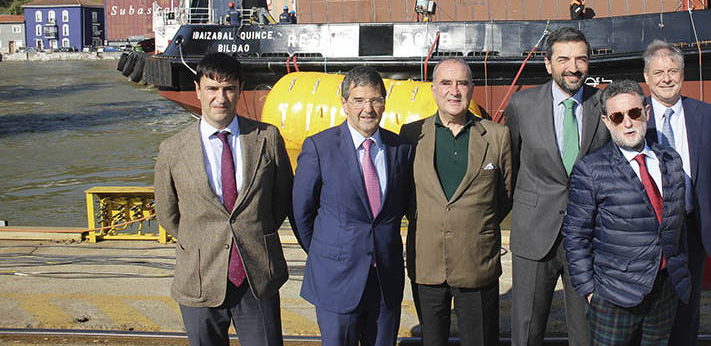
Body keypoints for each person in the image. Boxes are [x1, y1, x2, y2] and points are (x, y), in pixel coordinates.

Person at [153, 52, 293, 346]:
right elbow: (168, 214)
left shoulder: (267, 138)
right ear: (198, 90)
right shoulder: (172, 150)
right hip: (200, 277)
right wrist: (204, 239)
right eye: (212, 89)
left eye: (228, 88)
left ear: (240, 89)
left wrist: (252, 231)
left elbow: (281, 200)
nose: (221, 98)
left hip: (256, 275)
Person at [291, 66, 414, 345]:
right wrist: (328, 252)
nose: (367, 109)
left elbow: (405, 206)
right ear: (344, 103)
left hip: (385, 278)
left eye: (375, 100)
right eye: (358, 100)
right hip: (336, 277)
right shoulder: (319, 148)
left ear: (384, 102)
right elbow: (301, 212)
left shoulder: (401, 149)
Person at [504, 27, 611, 346]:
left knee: (587, 331)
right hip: (534, 233)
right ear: (548, 64)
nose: (573, 67)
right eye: (563, 59)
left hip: (589, 237)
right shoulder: (521, 105)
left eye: (581, 59)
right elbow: (511, 164)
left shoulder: (604, 103)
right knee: (526, 329)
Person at [563, 79, 690, 345]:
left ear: (646, 112)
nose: (628, 123)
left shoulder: (671, 160)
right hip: (614, 295)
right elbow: (575, 235)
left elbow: (678, 225)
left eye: (633, 113)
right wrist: (589, 290)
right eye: (618, 117)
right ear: (607, 122)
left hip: (665, 290)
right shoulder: (591, 169)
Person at [399, 58, 513, 346]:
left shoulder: (498, 137)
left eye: (462, 83)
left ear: (472, 88)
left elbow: (505, 195)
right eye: (446, 83)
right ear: (434, 89)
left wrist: (473, 226)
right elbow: (405, 196)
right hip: (427, 263)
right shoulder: (411, 135)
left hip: (477, 261)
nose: (455, 90)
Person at [641, 40, 711, 346]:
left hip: (691, 225)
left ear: (682, 74)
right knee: (648, 302)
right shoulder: (633, 116)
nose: (666, 78)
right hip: (648, 228)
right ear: (647, 77)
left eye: (673, 70)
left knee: (688, 307)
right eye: (659, 72)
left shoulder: (706, 115)